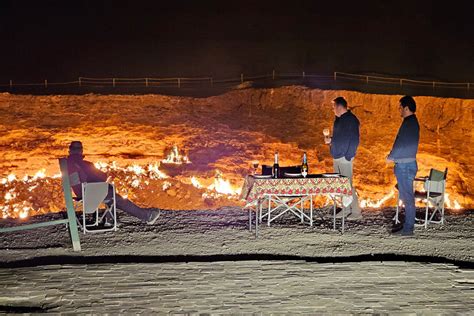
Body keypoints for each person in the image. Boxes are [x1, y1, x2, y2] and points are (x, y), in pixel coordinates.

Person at [66, 141, 160, 225]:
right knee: (116, 197)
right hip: (89, 192)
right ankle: (146, 216)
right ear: (81, 151)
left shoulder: (68, 164)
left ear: (69, 151)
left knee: (110, 192)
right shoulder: (85, 164)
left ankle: (110, 220)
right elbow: (102, 177)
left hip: (82, 192)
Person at [324, 97, 362, 219]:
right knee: (340, 185)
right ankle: (345, 210)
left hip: (345, 157)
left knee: (348, 185)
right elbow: (339, 138)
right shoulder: (338, 120)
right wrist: (330, 141)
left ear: (340, 107)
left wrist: (348, 156)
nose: (333, 109)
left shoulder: (351, 120)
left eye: (333, 107)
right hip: (336, 156)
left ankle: (356, 212)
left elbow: (355, 140)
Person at [387, 96, 420, 236]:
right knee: (406, 197)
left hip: (405, 166)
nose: (399, 110)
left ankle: (408, 229)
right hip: (405, 164)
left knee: (408, 198)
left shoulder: (409, 123)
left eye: (400, 107)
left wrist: (391, 156)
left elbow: (402, 143)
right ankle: (406, 226)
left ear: (406, 108)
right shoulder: (411, 122)